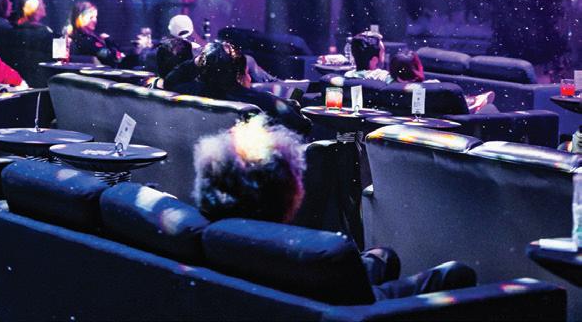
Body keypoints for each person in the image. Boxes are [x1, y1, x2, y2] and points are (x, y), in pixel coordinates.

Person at [193, 116, 476, 301]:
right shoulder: (326, 255)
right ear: (291, 194)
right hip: (350, 306)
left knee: (383, 257)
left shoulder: (199, 237)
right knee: (455, 273)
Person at [186, 40, 310, 136]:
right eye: (247, 72)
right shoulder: (264, 101)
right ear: (238, 75)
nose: (250, 78)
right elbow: (304, 127)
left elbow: (176, 78)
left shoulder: (194, 92)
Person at [388, 49, 496, 114]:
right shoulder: (434, 87)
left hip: (411, 126)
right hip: (447, 128)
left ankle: (470, 101)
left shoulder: (389, 89)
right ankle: (471, 104)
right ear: (418, 67)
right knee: (490, 109)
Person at [67, 1, 124, 67]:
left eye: (95, 17)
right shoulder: (88, 40)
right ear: (80, 18)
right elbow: (116, 58)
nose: (95, 20)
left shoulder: (72, 36)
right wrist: (109, 41)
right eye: (91, 17)